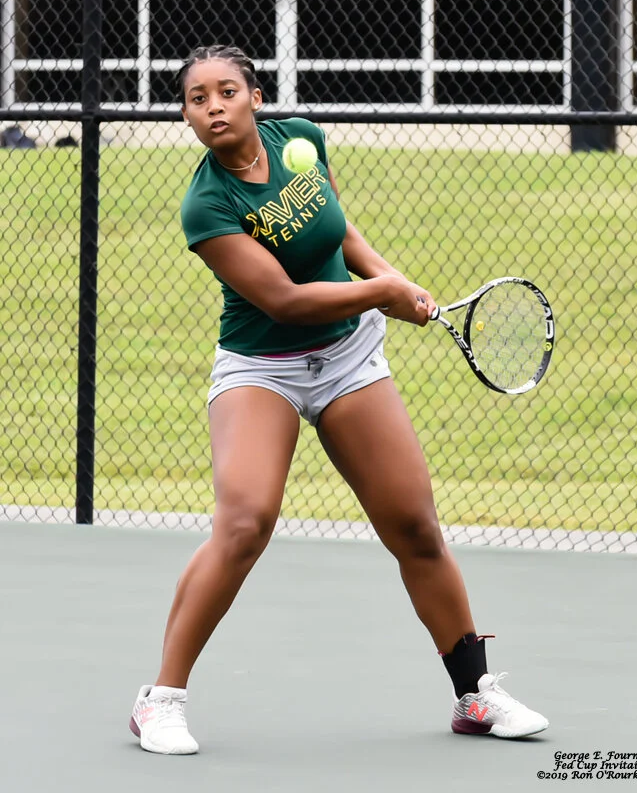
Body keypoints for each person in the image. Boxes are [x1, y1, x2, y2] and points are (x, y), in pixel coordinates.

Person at [129, 44, 549, 755]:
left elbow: (339, 231)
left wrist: (393, 279)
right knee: (244, 522)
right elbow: (284, 300)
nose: (214, 107)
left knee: (413, 526)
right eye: (197, 99)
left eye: (226, 91)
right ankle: (159, 701)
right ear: (186, 117)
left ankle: (475, 695)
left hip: (348, 358)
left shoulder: (301, 139)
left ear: (255, 98)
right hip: (263, 366)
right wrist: (381, 293)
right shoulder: (207, 205)